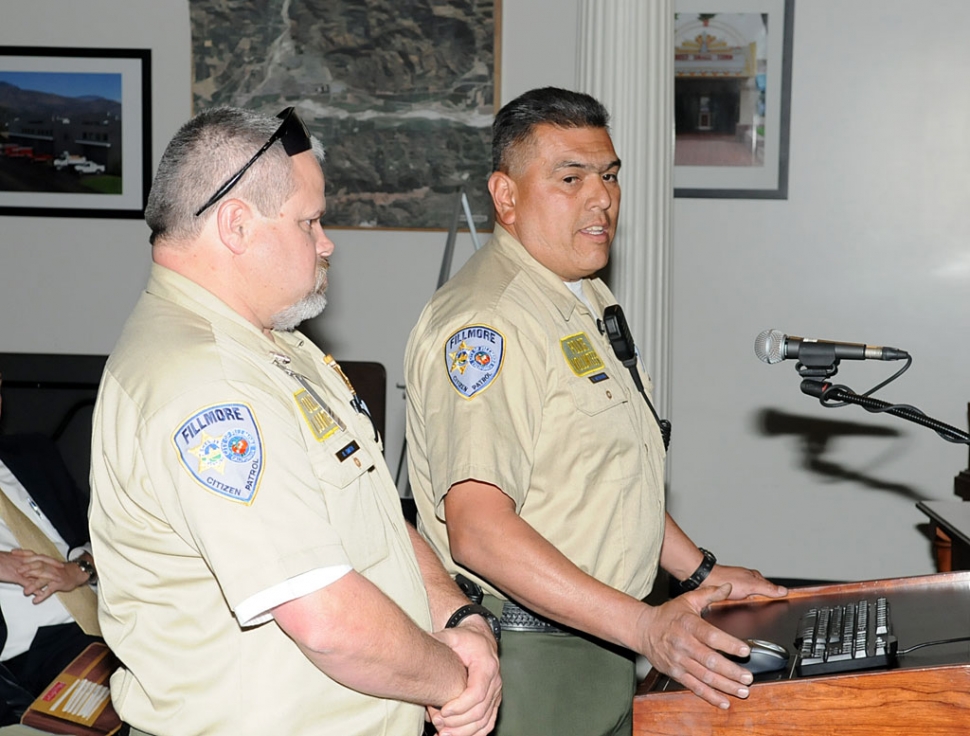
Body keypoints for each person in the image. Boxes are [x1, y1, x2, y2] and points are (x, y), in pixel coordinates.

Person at [88, 106, 500, 736]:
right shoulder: (205, 381)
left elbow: (376, 521)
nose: (327, 240)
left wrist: (457, 619)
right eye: (309, 220)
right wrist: (453, 680)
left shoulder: (279, 347)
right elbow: (325, 618)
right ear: (235, 224)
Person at [404, 86, 788, 736]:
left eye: (609, 175)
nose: (602, 198)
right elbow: (479, 531)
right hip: (529, 662)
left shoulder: (577, 294)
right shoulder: (488, 323)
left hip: (599, 642)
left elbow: (604, 471)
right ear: (506, 197)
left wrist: (697, 570)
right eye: (571, 177)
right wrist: (645, 627)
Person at [0, 374, 101, 724]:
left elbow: (110, 535)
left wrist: (80, 570)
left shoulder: (32, 454)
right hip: (25, 657)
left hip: (110, 618)